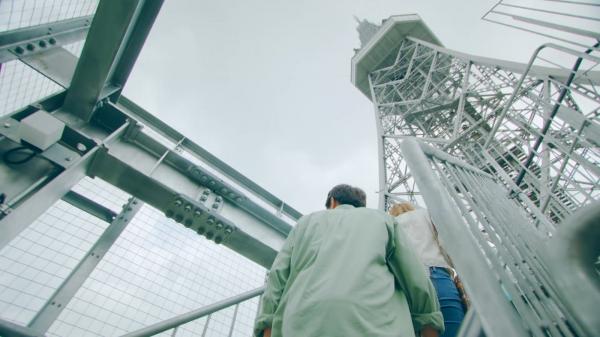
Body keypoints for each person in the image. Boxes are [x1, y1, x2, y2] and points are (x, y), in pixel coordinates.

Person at [254, 184, 444, 337]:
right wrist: (429, 322)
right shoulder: (383, 220)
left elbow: (277, 277)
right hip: (378, 326)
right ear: (361, 205)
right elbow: (416, 277)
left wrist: (267, 325)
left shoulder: (305, 223)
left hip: (300, 325)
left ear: (332, 202)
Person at [389, 202, 467, 337]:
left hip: (403, 286)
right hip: (435, 274)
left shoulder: (389, 223)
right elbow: (446, 243)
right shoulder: (425, 214)